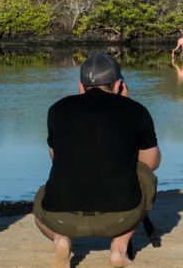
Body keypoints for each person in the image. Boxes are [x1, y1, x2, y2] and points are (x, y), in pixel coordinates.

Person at [33, 53, 161, 268]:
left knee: (40, 201)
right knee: (146, 177)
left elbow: (56, 156)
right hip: (121, 218)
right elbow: (151, 162)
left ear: (81, 86)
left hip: (61, 219)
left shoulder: (56, 109)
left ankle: (61, 240)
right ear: (119, 85)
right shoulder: (136, 110)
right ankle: (119, 249)